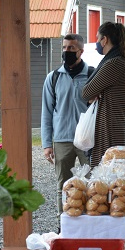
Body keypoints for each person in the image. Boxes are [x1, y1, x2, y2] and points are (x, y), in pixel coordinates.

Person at [41, 34, 92, 216]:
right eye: (64, 48)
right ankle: (64, 225)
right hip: (62, 139)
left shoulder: (92, 75)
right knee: (63, 186)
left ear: (81, 51)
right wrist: (47, 144)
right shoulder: (53, 78)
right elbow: (46, 112)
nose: (66, 51)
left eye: (71, 48)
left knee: (91, 184)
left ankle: (89, 223)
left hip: (87, 140)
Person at [82, 22, 125, 167]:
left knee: (107, 177)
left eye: (98, 38)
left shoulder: (114, 63)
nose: (96, 44)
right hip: (114, 125)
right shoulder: (119, 60)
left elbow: (86, 92)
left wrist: (96, 92)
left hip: (109, 128)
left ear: (105, 40)